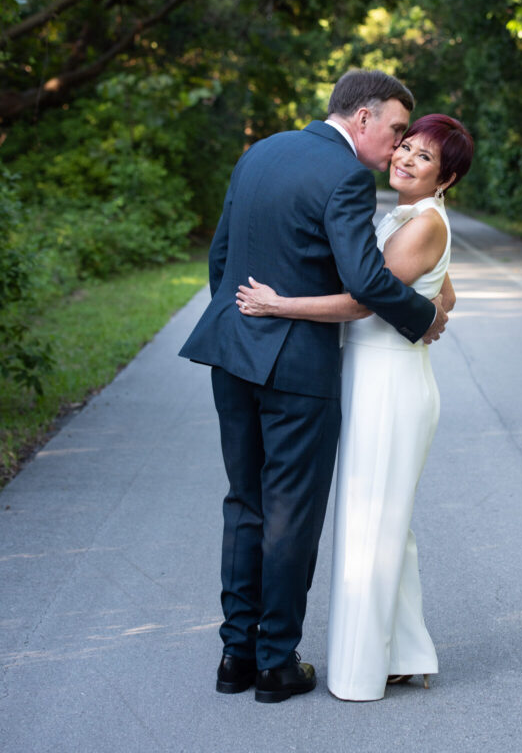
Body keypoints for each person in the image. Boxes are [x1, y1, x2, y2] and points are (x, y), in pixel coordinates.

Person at [178, 71, 449, 704]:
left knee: (245, 504)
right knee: (290, 515)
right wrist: (422, 318)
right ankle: (275, 662)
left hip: (231, 350)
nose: (397, 145)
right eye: (395, 129)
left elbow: (221, 257)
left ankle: (233, 656)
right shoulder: (346, 176)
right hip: (298, 367)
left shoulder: (260, 152)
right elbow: (364, 283)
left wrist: (240, 319)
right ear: (362, 119)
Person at [236, 113, 474, 701]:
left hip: (392, 387)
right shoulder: (409, 216)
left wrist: (279, 305)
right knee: (382, 521)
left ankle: (361, 673)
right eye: (406, 146)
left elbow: (364, 301)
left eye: (423, 158)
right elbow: (445, 291)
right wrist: (435, 310)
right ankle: (401, 652)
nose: (404, 158)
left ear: (445, 181)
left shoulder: (422, 223)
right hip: (374, 379)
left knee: (374, 523)